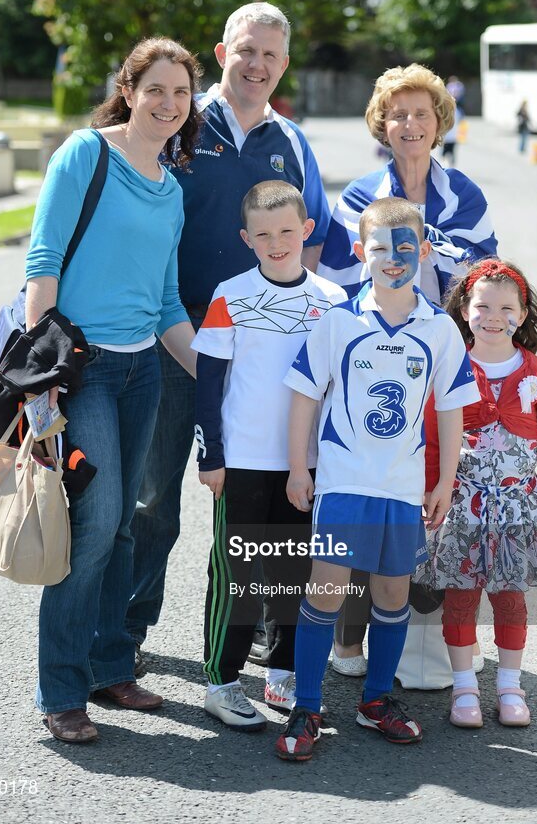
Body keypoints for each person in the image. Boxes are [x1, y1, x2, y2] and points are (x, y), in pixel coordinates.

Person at [126, 3, 331, 672]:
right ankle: (123, 639)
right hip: (170, 343)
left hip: (262, 366)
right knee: (152, 501)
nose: (258, 64)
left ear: (285, 64)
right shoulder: (179, 124)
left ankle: (268, 646)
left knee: (268, 511)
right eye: (247, 50)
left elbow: (315, 244)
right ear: (221, 52)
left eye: (272, 54)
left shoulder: (294, 143)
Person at [25, 37, 201, 744]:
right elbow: (42, 266)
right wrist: (41, 389)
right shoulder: (84, 155)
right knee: (94, 524)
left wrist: (219, 372)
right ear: (127, 89)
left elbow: (165, 304)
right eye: (154, 88)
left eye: (182, 93)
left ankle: (109, 664)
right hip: (83, 369)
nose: (168, 103)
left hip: (143, 374)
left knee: (126, 519)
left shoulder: (171, 188)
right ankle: (62, 687)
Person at [274, 197, 480, 761]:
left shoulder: (439, 329)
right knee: (327, 586)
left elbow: (450, 409)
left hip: (401, 486)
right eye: (381, 248)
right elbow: (303, 398)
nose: (394, 258)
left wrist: (444, 482)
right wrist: (299, 467)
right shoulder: (338, 321)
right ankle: (308, 705)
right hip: (343, 481)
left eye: (406, 247)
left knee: (392, 592)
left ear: (425, 251)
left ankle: (376, 701)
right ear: (362, 253)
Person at [317, 63, 497, 673]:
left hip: (439, 360)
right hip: (369, 364)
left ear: (440, 121)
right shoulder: (362, 195)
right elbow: (342, 283)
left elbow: (480, 283)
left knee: (425, 491)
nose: (411, 124)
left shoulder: (464, 194)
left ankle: (420, 637)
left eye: (422, 113)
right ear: (382, 124)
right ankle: (346, 640)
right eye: (399, 114)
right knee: (363, 490)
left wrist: (435, 248)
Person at [192, 180, 346, 731]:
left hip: (304, 465)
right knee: (238, 573)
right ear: (246, 238)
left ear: (306, 231)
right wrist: (210, 456)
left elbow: (339, 386)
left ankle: (282, 672)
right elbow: (209, 381)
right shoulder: (230, 294)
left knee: (293, 570)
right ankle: (221, 679)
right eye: (263, 234)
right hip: (242, 462)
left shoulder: (331, 301)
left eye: (287, 231)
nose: (276, 242)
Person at [418, 257, 537, 728]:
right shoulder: (452, 366)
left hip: (517, 508)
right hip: (462, 505)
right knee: (461, 596)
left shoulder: (535, 372)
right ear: (465, 310)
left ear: (522, 315)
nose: (493, 316)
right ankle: (464, 689)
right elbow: (432, 437)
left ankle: (510, 687)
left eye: (506, 307)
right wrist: (431, 491)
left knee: (510, 597)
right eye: (482, 305)